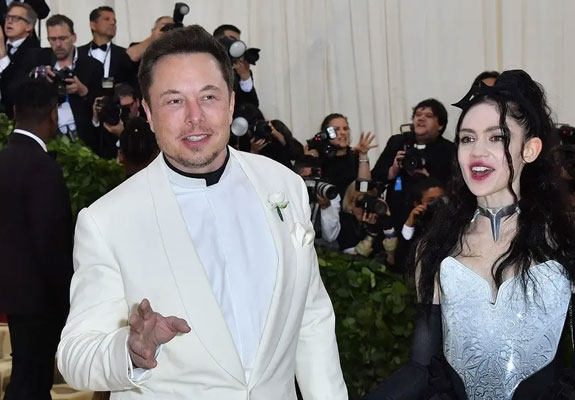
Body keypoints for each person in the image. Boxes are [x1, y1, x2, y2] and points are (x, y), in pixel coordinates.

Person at [56, 25, 347, 399]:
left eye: (208, 97)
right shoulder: (106, 220)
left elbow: (312, 319)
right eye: (174, 101)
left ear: (229, 103)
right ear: (147, 111)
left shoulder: (283, 185)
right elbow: (75, 355)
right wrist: (130, 351)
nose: (195, 117)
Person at [364, 70, 575, 400]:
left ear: (530, 149)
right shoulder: (436, 244)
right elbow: (420, 369)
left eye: (497, 137)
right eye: (468, 138)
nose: (478, 152)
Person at [0, 78, 73, 400]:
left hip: (11, 296)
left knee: (25, 380)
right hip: (39, 300)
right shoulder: (43, 168)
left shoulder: (4, 159)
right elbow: (52, 246)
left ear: (15, 111)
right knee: (31, 384)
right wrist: (68, 299)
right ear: (52, 113)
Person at [372, 99, 453, 231]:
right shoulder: (398, 141)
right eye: (418, 115)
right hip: (395, 213)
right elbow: (375, 176)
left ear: (440, 125)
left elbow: (452, 188)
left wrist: (428, 178)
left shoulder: (449, 150)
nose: (421, 119)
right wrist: (392, 171)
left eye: (428, 116)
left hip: (429, 220)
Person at [41, 14, 103, 147]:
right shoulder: (42, 63)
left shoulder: (93, 66)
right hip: (50, 137)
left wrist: (83, 91)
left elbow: (103, 105)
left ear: (74, 37)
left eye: (63, 38)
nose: (58, 44)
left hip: (84, 138)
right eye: (53, 39)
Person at [306, 112, 376, 200]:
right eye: (336, 129)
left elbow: (364, 188)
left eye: (345, 128)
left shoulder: (355, 156)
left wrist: (363, 154)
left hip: (350, 208)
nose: (343, 132)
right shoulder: (318, 156)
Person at [77, 6, 138, 90]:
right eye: (107, 19)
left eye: (114, 21)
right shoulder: (78, 53)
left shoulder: (123, 54)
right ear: (93, 25)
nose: (113, 23)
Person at [0, 2, 41, 118]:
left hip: (18, 119)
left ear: (29, 26)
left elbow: (14, 91)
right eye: (7, 17)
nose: (9, 21)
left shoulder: (36, 54)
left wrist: (3, 56)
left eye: (16, 18)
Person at [91, 82, 142, 158]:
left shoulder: (147, 122)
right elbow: (97, 147)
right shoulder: (113, 121)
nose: (127, 111)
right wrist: (96, 117)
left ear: (137, 102)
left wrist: (123, 134)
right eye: (123, 107)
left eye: (129, 106)